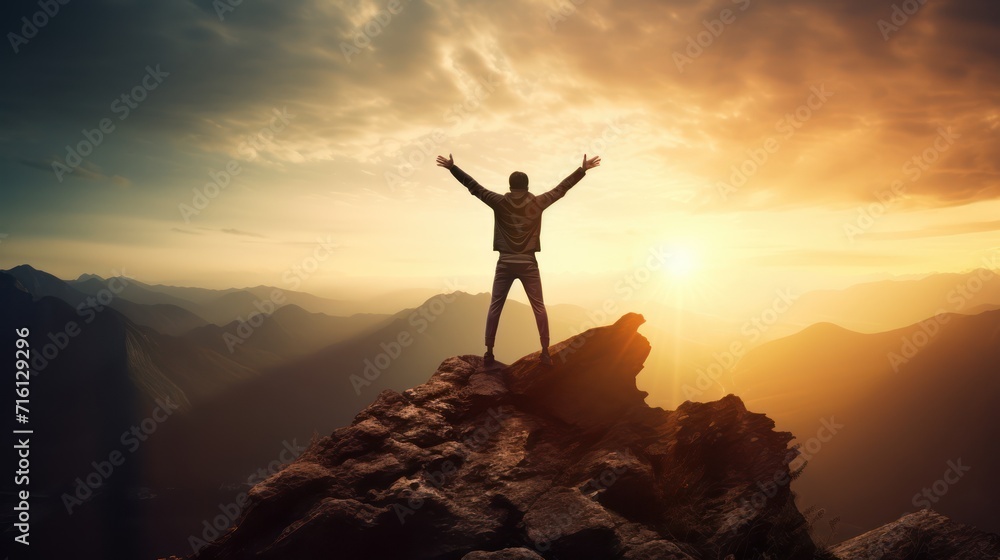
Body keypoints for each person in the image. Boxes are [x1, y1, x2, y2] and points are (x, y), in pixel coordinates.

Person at [436, 152, 601, 366]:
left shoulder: (499, 202)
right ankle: (545, 351)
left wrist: (452, 168)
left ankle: (488, 352)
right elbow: (561, 190)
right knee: (538, 306)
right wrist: (582, 170)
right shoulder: (538, 203)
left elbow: (474, 187)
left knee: (496, 306)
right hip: (528, 263)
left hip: (505, 263)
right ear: (527, 186)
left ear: (510, 185)